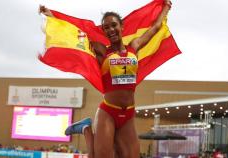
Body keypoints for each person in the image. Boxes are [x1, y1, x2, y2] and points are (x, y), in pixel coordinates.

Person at [39, 0, 172, 157]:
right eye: (106, 27)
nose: (111, 29)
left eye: (114, 25)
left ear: (121, 27)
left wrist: (166, 7)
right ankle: (87, 129)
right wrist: (53, 16)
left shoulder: (134, 46)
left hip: (128, 114)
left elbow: (155, 27)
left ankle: (85, 128)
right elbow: (76, 31)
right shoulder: (102, 51)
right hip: (108, 112)